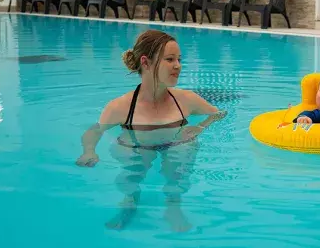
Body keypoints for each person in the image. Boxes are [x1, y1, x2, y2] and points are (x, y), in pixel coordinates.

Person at [75, 29, 227, 232]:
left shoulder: (186, 99)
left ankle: (173, 205)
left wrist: (198, 127)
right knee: (131, 158)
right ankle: (130, 198)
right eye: (170, 59)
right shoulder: (121, 106)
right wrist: (89, 151)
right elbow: (94, 131)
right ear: (146, 63)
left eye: (179, 59)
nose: (178, 66)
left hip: (175, 144)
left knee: (182, 151)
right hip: (138, 145)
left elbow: (219, 114)